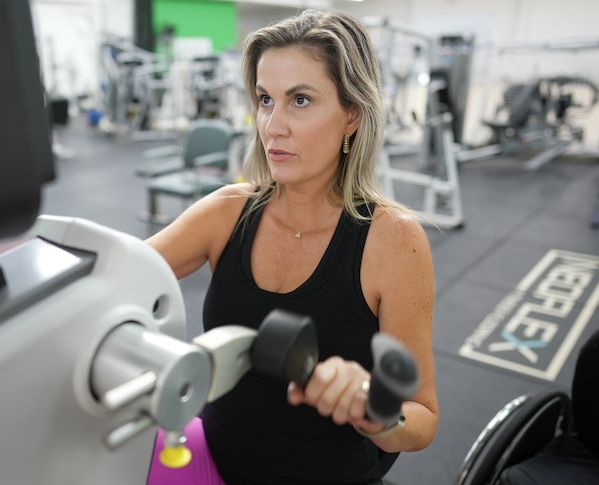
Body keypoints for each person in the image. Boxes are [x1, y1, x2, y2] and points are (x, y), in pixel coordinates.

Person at [146, 9, 438, 485]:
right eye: (265, 99)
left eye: (299, 100)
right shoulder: (227, 212)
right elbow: (117, 278)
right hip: (214, 464)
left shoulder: (393, 240)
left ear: (352, 115)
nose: (272, 125)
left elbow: (422, 418)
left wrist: (375, 409)